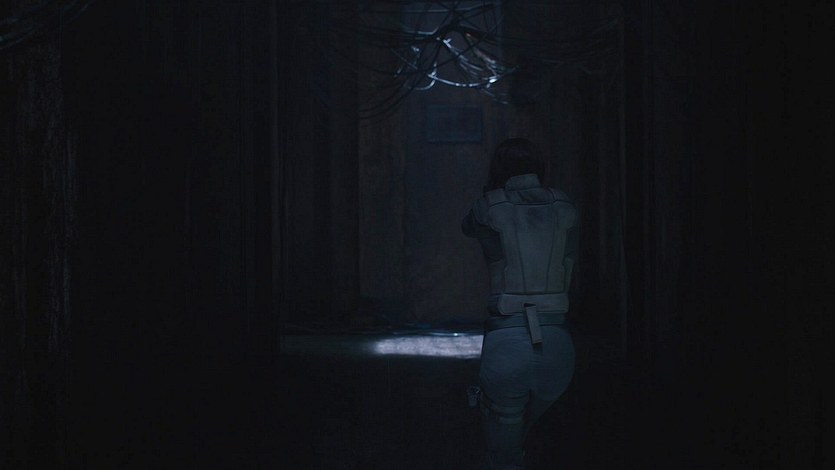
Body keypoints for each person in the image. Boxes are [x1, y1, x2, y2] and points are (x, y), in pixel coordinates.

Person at [462, 138, 578, 469]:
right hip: (557, 342)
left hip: (507, 341)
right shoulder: (564, 205)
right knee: (547, 445)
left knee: (505, 455)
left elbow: (467, 226)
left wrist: (492, 192)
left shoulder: (489, 207)